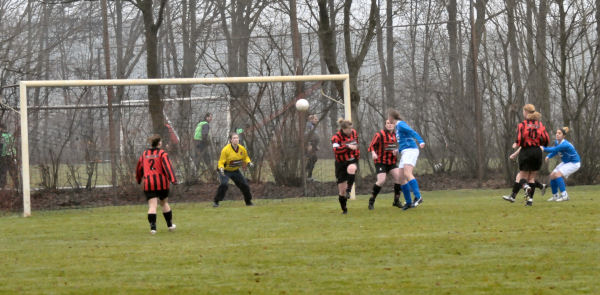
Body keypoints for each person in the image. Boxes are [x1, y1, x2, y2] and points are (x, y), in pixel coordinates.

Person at [502, 104, 549, 206]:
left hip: (526, 152)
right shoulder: (540, 125)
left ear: (526, 112)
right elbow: (546, 139)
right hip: (537, 152)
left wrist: (516, 143)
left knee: (522, 176)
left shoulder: (522, 125)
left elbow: (520, 138)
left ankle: (524, 188)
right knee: (531, 177)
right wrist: (539, 144)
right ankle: (529, 201)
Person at [135, 135, 178, 234]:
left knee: (152, 205)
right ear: (159, 143)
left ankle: (153, 228)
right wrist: (173, 179)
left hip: (148, 183)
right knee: (164, 203)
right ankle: (170, 225)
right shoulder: (162, 154)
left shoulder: (144, 154)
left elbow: (139, 168)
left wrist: (138, 179)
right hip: (161, 182)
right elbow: (167, 167)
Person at [388, 110, 425, 210]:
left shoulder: (401, 125)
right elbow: (404, 142)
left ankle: (418, 197)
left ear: (392, 118)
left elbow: (412, 132)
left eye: (389, 117)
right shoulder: (397, 128)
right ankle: (408, 203)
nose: (388, 119)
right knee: (401, 178)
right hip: (405, 151)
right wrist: (398, 150)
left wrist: (421, 141)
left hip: (411, 150)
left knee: (407, 173)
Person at [367, 119, 402, 210]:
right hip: (380, 162)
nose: (390, 125)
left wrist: (396, 151)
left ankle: (396, 201)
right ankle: (372, 200)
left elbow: (397, 146)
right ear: (385, 125)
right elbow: (371, 146)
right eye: (388, 123)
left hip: (391, 162)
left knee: (399, 177)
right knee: (381, 180)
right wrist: (373, 153)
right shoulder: (379, 134)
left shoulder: (396, 135)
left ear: (394, 125)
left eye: (391, 123)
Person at [213, 132, 255, 207]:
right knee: (224, 184)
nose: (236, 139)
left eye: (237, 138)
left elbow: (245, 157)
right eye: (234, 138)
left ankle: (248, 201)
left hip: (235, 170)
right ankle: (216, 201)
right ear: (230, 140)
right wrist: (221, 168)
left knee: (245, 185)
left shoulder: (242, 149)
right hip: (225, 171)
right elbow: (221, 161)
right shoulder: (225, 150)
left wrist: (249, 162)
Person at [541, 127, 580, 202]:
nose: (557, 134)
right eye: (556, 133)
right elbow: (555, 151)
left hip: (574, 163)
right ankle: (555, 196)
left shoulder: (565, 144)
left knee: (557, 174)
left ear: (563, 136)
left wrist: (543, 148)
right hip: (566, 162)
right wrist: (549, 156)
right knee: (552, 175)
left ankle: (565, 196)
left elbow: (554, 149)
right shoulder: (557, 142)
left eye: (559, 133)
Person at [331, 118, 360, 214]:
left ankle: (349, 190)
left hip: (351, 159)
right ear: (343, 129)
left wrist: (356, 152)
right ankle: (344, 209)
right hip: (340, 163)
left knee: (352, 168)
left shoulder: (354, 133)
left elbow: (356, 144)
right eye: (348, 129)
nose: (350, 131)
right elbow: (336, 151)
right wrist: (347, 146)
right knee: (341, 191)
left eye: (351, 128)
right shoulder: (336, 137)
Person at [0, 123, 18, 190]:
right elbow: (13, 147)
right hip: (11, 155)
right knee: (12, 171)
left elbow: (2, 147)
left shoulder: (1, 136)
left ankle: (2, 187)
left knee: (2, 171)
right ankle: (17, 185)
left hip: (3, 156)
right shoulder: (10, 136)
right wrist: (14, 156)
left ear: (1, 128)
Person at [305, 114, 320, 180]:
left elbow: (314, 137)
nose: (317, 120)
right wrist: (309, 145)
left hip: (313, 145)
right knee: (313, 158)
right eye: (315, 119)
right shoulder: (309, 126)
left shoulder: (313, 126)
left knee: (313, 159)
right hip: (309, 146)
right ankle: (307, 175)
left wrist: (316, 146)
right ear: (311, 120)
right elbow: (306, 136)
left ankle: (307, 174)